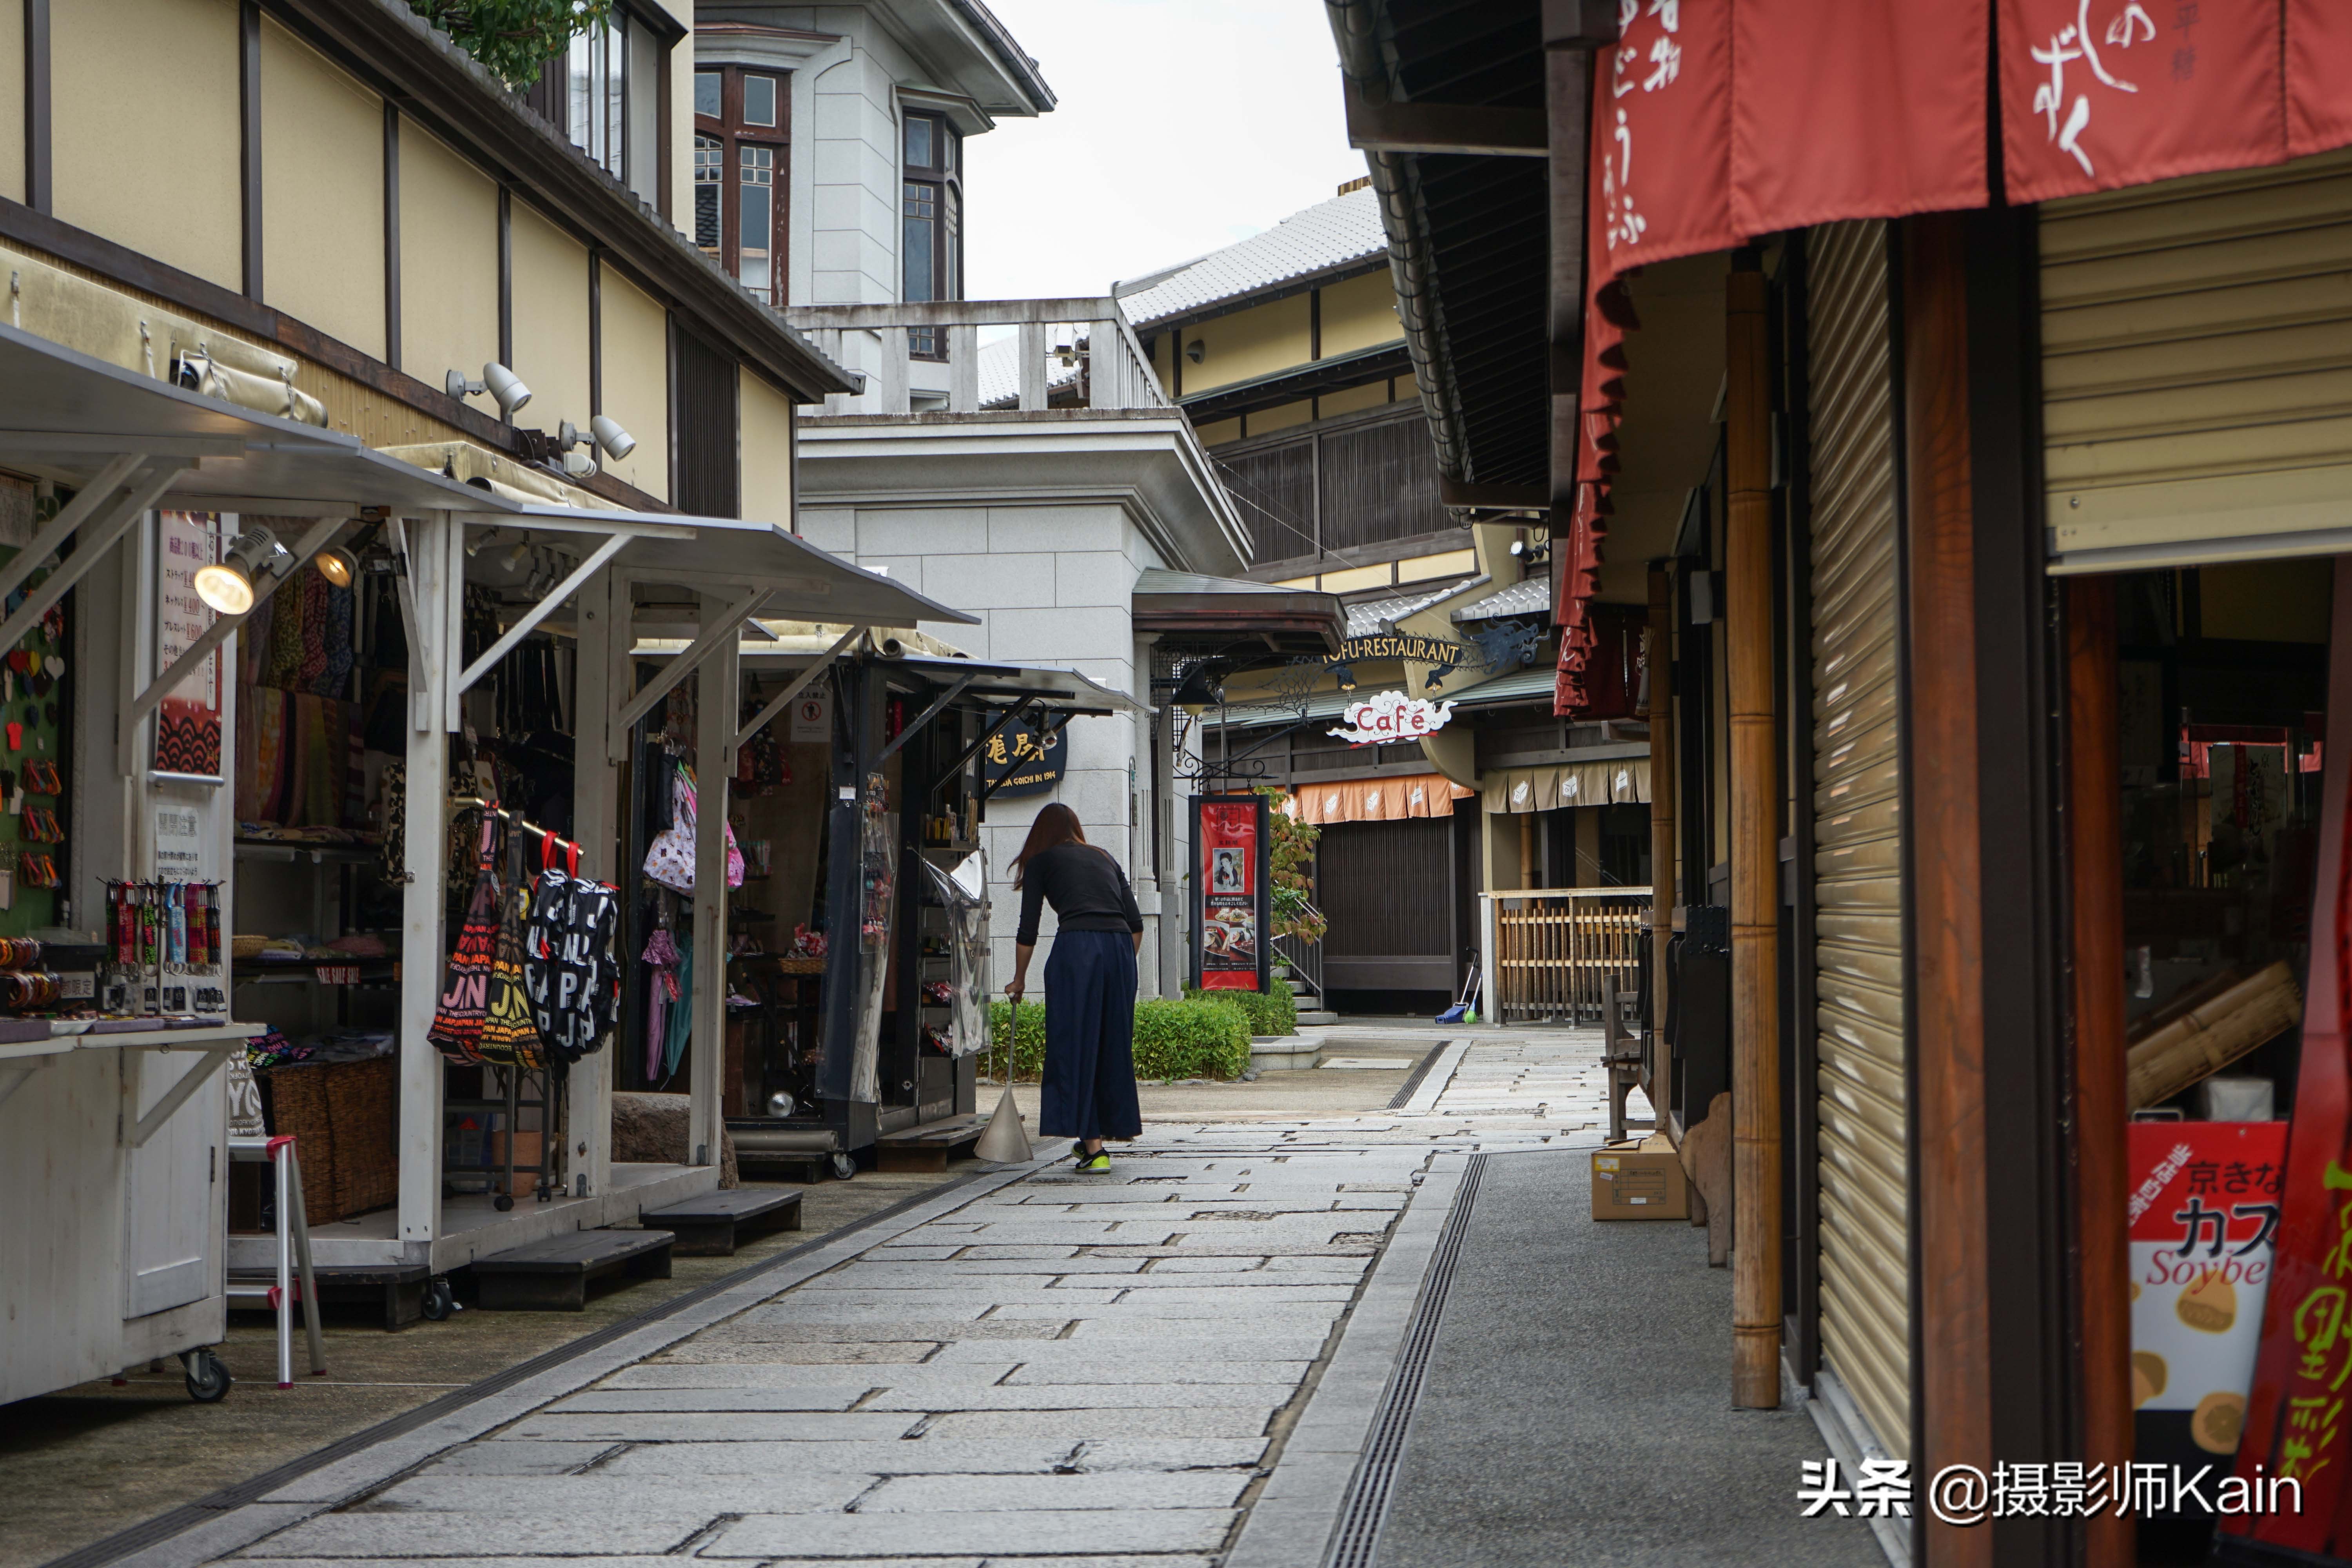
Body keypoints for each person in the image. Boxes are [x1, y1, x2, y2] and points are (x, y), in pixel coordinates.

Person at [1004, 803, 1143, 1172]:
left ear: (1041, 833)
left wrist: (1018, 980)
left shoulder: (1041, 862)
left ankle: (1096, 1150)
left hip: (1078, 949)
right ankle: (1092, 1135)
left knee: (1076, 1043)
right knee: (1111, 1044)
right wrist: (1121, 967)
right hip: (1120, 950)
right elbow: (1136, 924)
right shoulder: (1105, 857)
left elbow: (1027, 930)